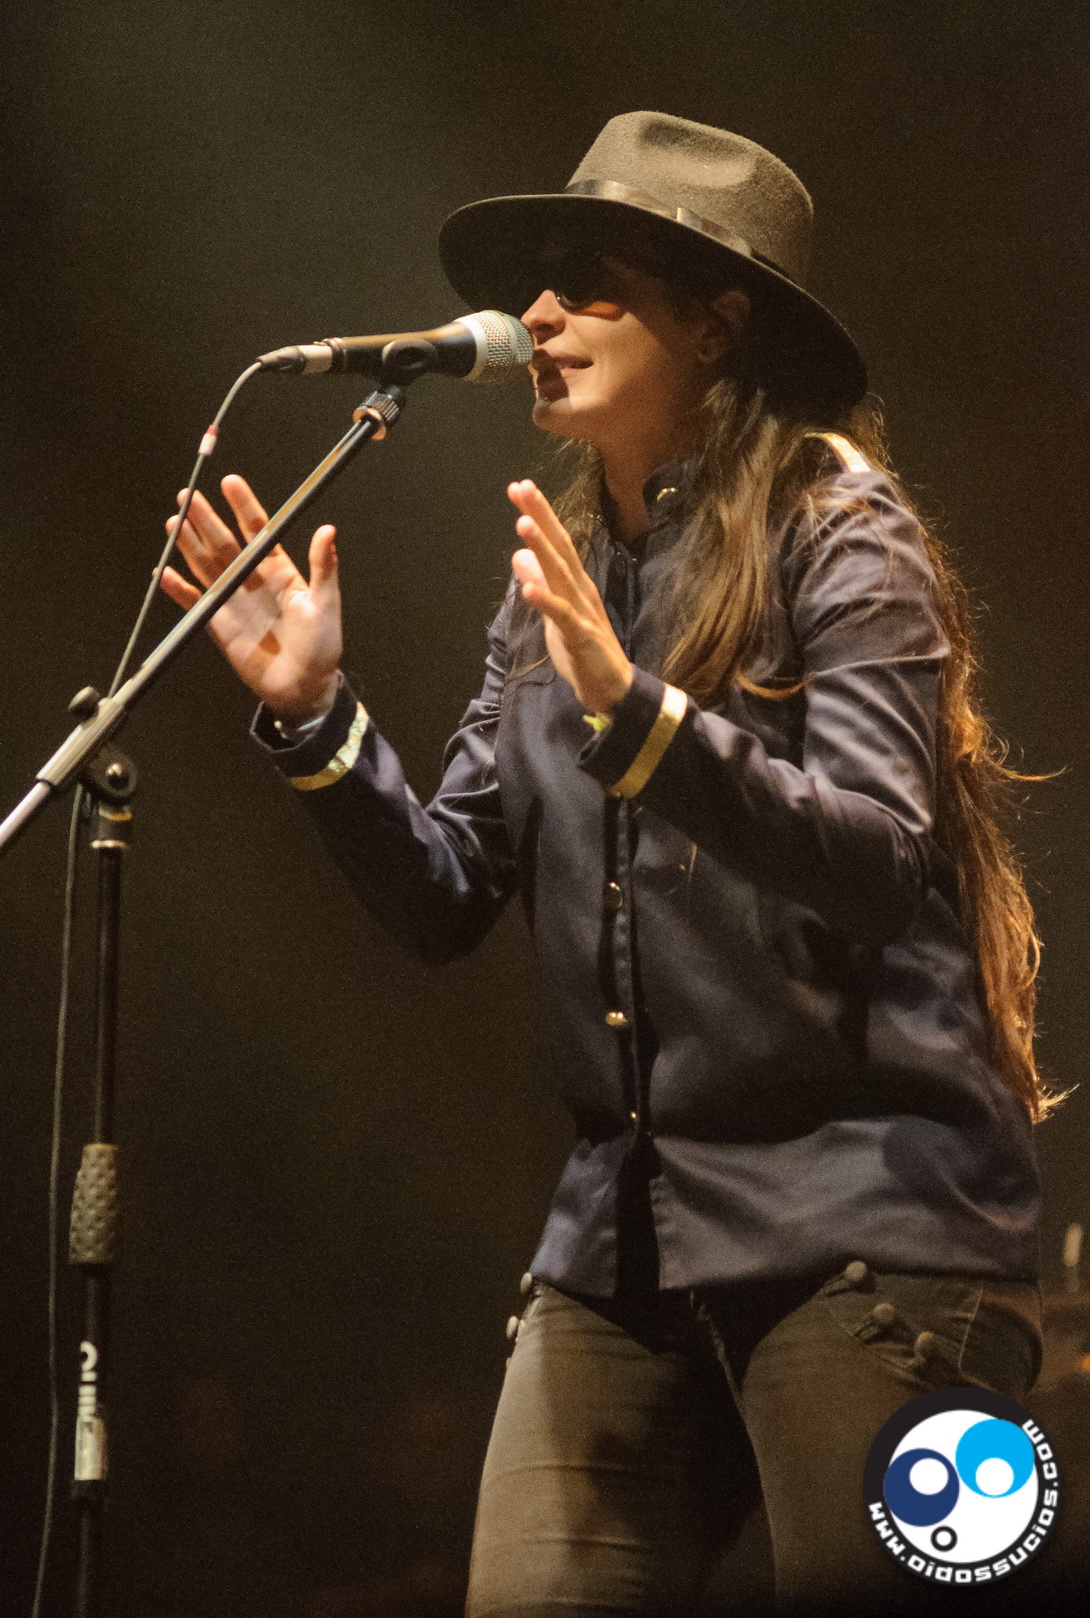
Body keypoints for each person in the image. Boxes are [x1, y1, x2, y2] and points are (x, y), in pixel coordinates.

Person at [161, 114, 1052, 1614]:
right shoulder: (551, 598)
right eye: (537, 285)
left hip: (864, 1234)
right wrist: (315, 721)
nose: (538, 316)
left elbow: (877, 854)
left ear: (719, 325)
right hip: (622, 1249)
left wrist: (643, 721)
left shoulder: (843, 534)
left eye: (589, 284)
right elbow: (448, 892)